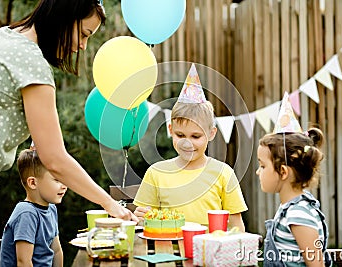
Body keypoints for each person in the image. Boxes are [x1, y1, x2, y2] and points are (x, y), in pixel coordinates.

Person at [0, 0, 137, 265]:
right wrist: (112, 206)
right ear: (65, 15)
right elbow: (55, 160)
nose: (83, 46)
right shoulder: (31, 63)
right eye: (84, 34)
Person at [133, 64, 247, 231]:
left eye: (195, 136)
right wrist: (141, 218)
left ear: (211, 133)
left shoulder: (224, 173)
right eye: (180, 135)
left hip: (211, 253)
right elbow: (144, 222)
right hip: (168, 253)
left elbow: (236, 225)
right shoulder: (156, 173)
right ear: (170, 130)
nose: (187, 143)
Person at [256, 92, 331, 266]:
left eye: (262, 166)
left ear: (283, 172)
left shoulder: (298, 215)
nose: (258, 172)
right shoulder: (289, 210)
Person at [0, 147, 66, 267]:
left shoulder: (51, 208)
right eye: (57, 180)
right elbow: (24, 262)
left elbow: (56, 251)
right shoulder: (26, 214)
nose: (64, 185)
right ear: (33, 183)